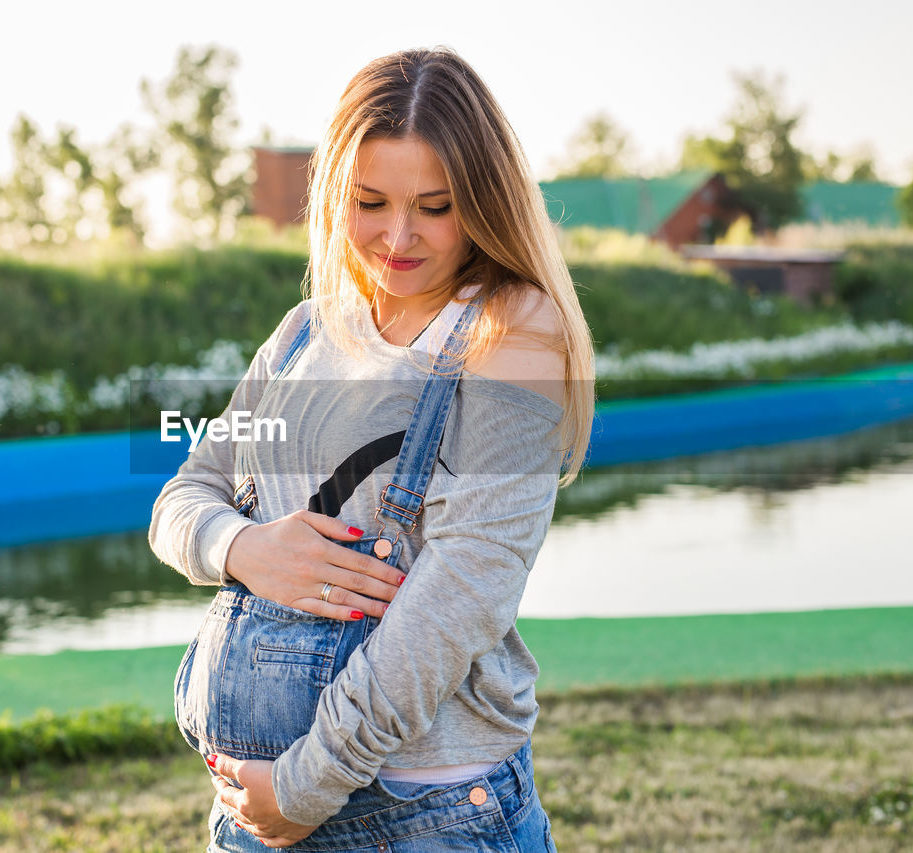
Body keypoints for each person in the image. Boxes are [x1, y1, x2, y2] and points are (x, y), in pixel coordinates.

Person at [149, 47, 594, 851]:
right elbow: (182, 496)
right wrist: (245, 546)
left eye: (435, 206)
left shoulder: (512, 331)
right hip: (252, 812)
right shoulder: (306, 333)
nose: (397, 236)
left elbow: (468, 585)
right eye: (370, 201)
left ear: (484, 202)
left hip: (423, 814)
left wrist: (307, 781)